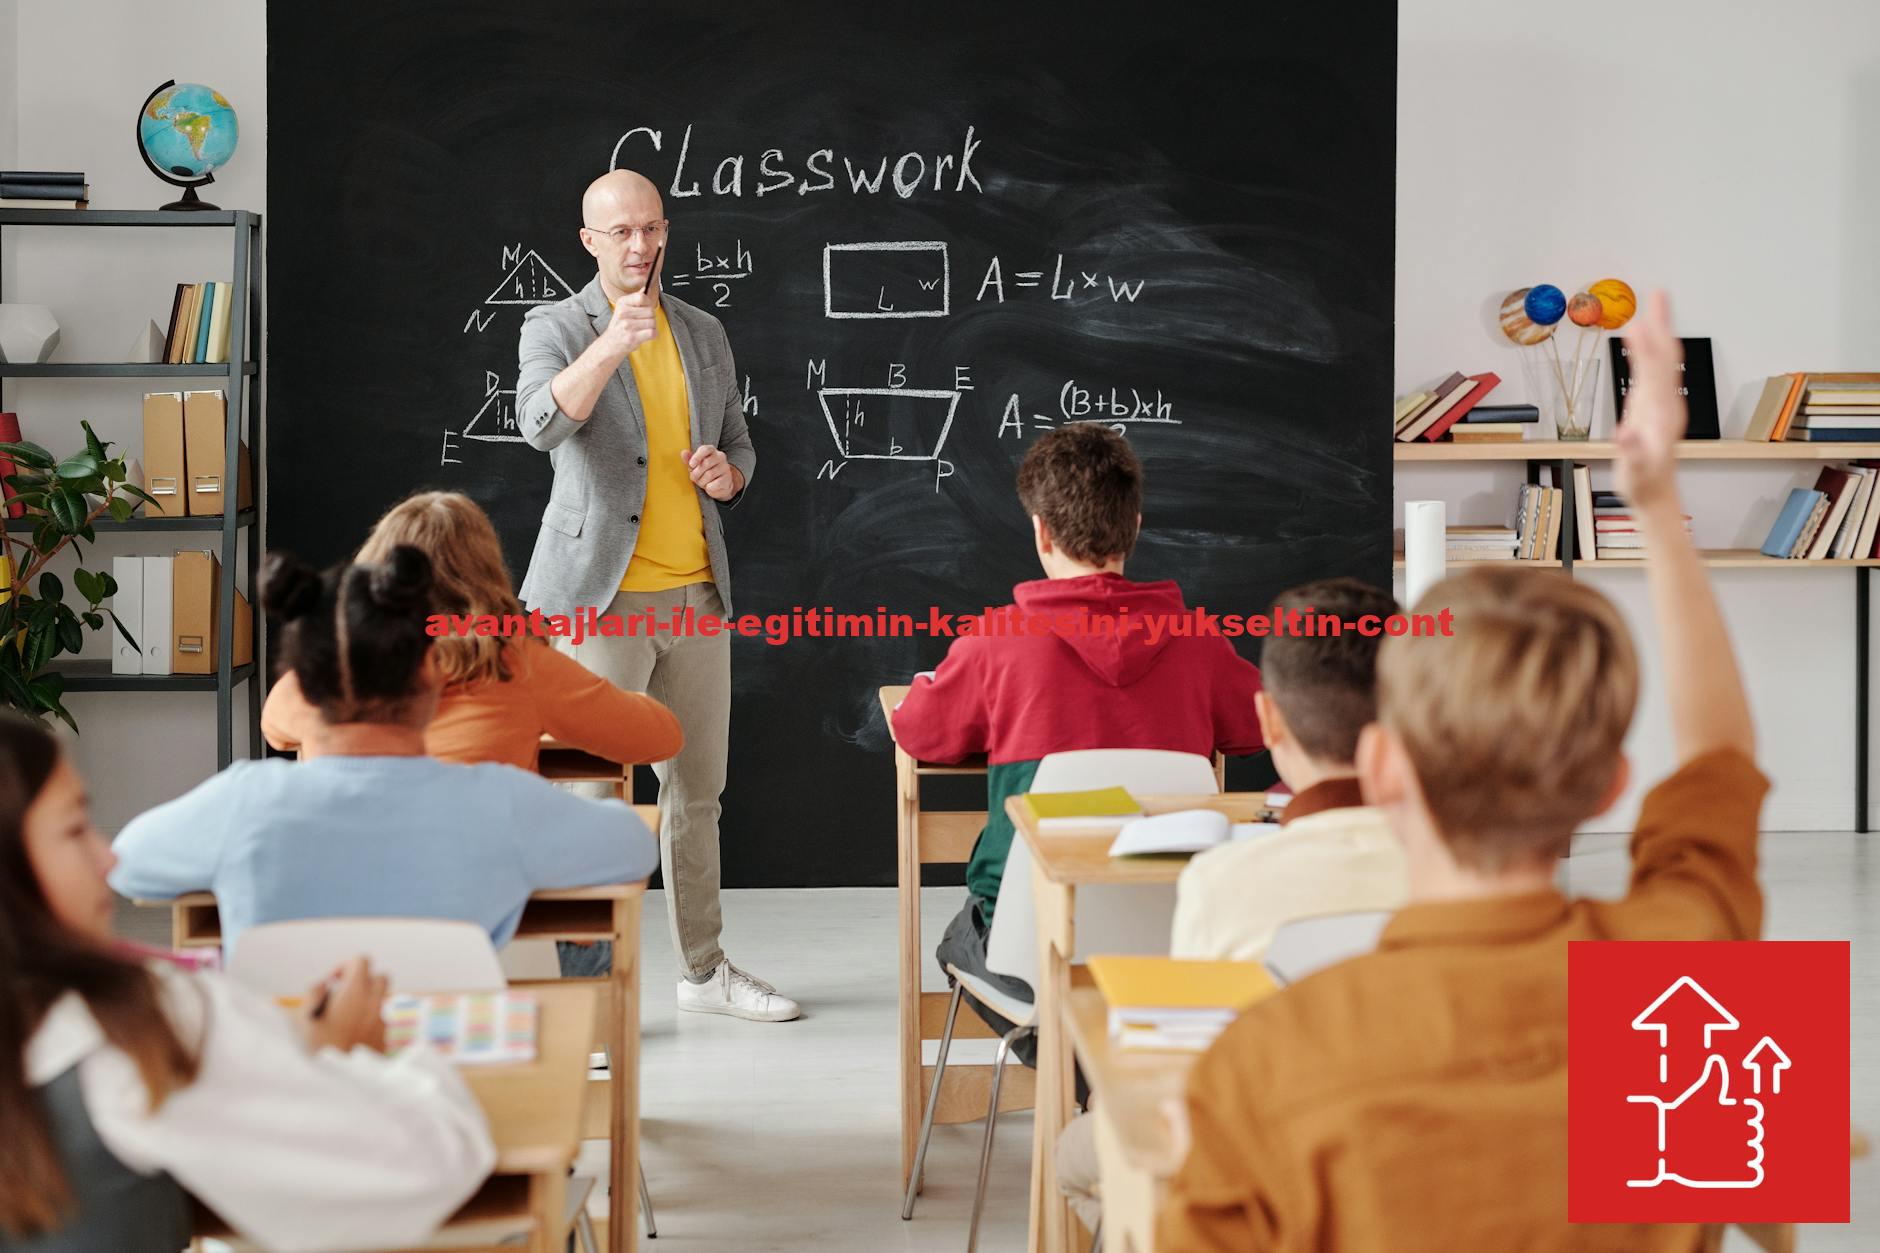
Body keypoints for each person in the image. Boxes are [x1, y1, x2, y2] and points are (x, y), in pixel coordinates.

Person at [1157, 292, 1765, 1253]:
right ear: (1607, 788)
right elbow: (1725, 767)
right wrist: (1655, 505)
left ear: (1384, 761)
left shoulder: (1267, 1064)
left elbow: (1723, 766)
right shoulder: (1689, 995)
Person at [0, 713, 495, 1252]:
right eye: (75, 829)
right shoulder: (138, 1027)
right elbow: (426, 1164)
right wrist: (356, 1058)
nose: (108, 855)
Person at [515, 168, 792, 1022]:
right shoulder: (555, 325)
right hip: (597, 600)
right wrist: (610, 345)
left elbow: (739, 441)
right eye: (621, 233)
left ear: (665, 230)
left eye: (651, 229)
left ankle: (704, 971)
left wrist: (729, 475)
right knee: (592, 799)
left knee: (697, 793)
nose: (640, 247)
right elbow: (539, 424)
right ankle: (585, 995)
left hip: (695, 599)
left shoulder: (704, 332)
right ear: (590, 242)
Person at [892, 424, 1265, 1051]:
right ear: (1135, 524)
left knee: (961, 938)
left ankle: (1059, 1046)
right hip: (1166, 938)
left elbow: (919, 732)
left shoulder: (997, 642)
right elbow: (1256, 726)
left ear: (1040, 530)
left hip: (1025, 942)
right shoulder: (1201, 642)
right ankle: (1100, 1071)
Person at [1055, 577, 1409, 1229]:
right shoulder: (1479, 881)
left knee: (1073, 1159)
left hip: (1265, 1187)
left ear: (1270, 719)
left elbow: (1185, 1072)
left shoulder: (1224, 883)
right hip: (1420, 1168)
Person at [109, 546, 658, 957]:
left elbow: (126, 864)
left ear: (302, 684)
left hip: (292, 1079)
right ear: (430, 674)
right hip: (452, 1084)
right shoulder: (499, 803)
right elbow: (634, 848)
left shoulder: (243, 803)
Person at [261, 490, 683, 772]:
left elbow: (276, 729)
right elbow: (661, 737)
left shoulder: (332, 667)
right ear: (485, 571)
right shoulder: (518, 663)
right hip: (479, 892)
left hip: (347, 894)